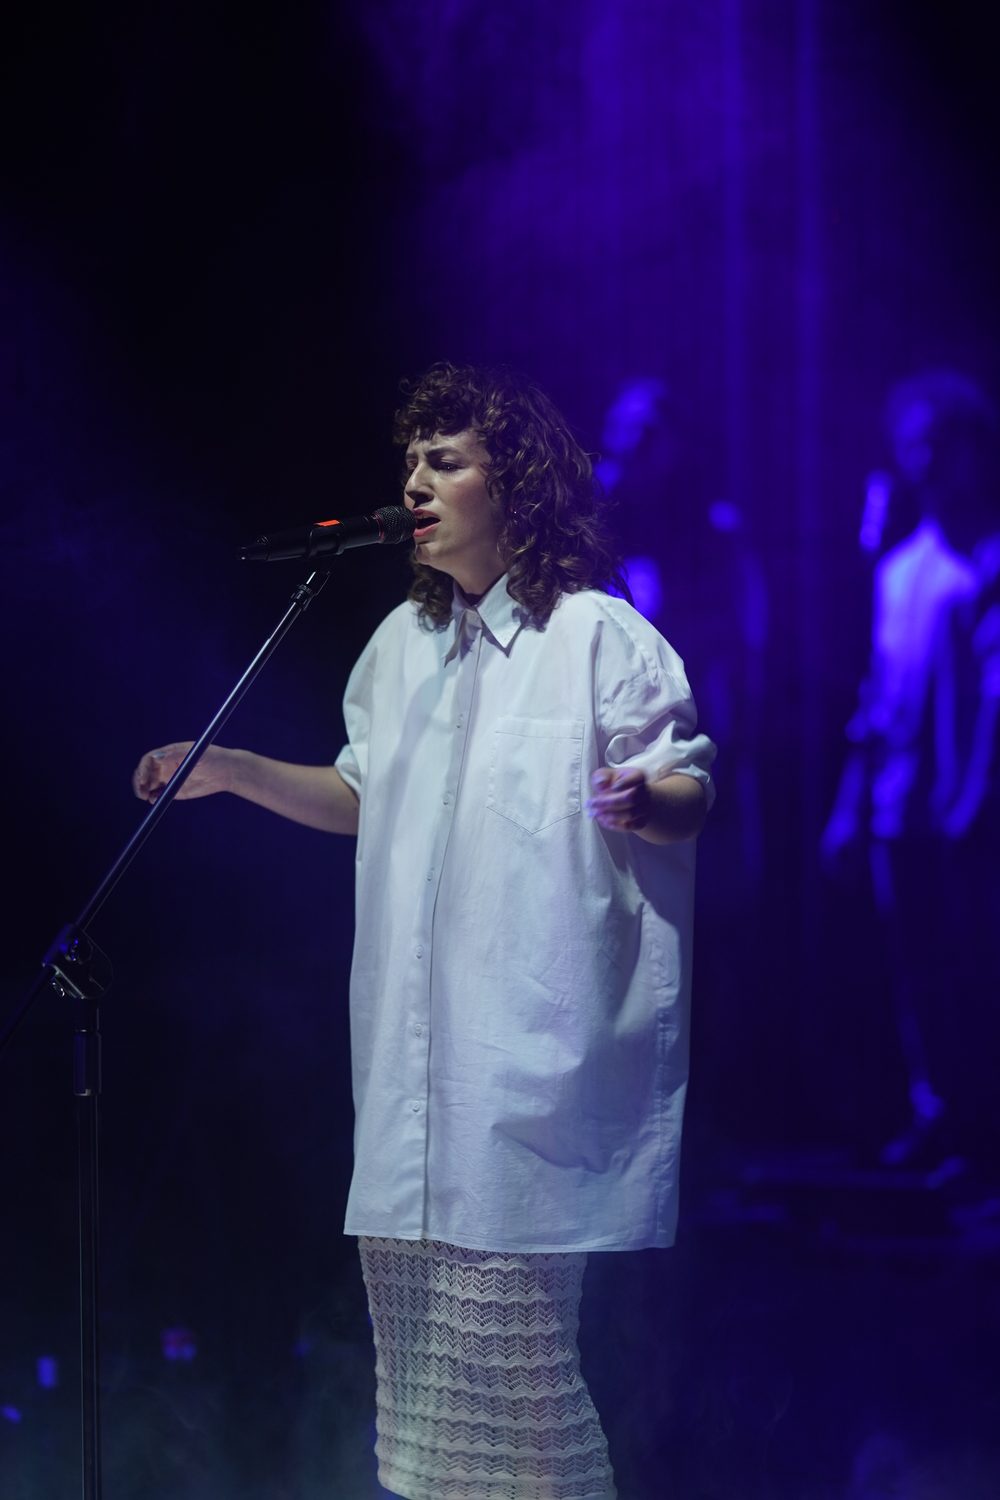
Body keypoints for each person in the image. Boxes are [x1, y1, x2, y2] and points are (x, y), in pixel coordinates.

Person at [134, 362, 716, 1500]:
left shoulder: (595, 634)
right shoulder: (402, 642)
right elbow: (366, 792)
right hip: (413, 1084)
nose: (413, 481)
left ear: (516, 484)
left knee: (524, 1401)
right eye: (410, 461)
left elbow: (688, 783)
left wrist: (644, 798)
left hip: (519, 1078)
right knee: (428, 1412)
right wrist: (234, 769)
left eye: (443, 461)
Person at [822, 368, 999, 1168]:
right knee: (916, 971)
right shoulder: (898, 568)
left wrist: (976, 790)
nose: (924, 460)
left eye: (939, 444)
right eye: (913, 444)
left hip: (969, 809)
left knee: (975, 967)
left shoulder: (989, 562)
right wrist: (850, 805)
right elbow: (879, 696)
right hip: (901, 808)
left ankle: (982, 1128)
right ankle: (943, 1114)